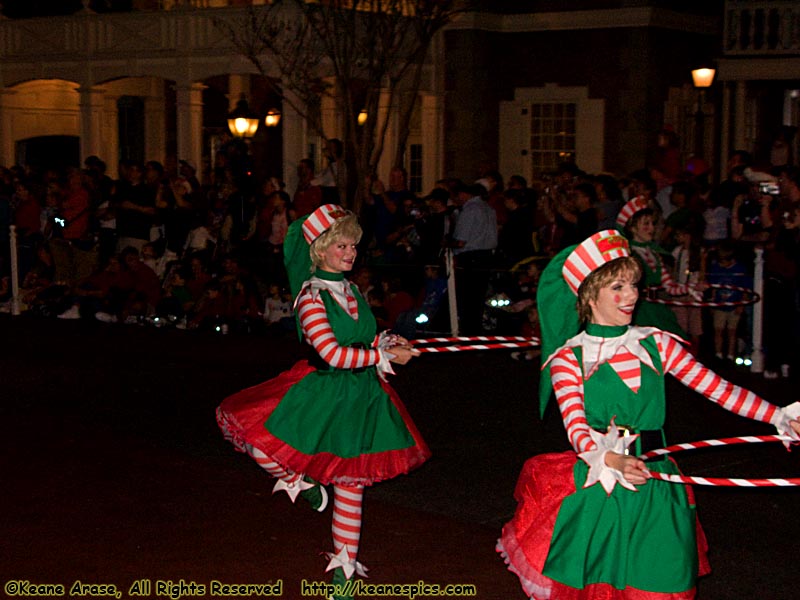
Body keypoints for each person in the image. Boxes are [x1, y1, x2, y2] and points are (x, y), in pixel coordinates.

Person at [497, 229, 800, 600]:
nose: (632, 296)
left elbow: (719, 389)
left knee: (660, 582)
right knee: (599, 585)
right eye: (618, 287)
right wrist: (609, 457)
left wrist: (780, 416)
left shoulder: (657, 343)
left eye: (634, 285)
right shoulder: (568, 358)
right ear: (589, 294)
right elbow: (575, 424)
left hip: (658, 478)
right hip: (601, 482)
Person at [216, 205, 430, 599]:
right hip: (323, 391)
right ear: (320, 249)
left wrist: (386, 342)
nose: (350, 253)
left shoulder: (349, 289)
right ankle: (300, 481)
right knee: (259, 443)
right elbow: (331, 353)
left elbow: (360, 340)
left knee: (352, 486)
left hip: (362, 396)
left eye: (353, 245)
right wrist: (382, 357)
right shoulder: (311, 296)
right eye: (342, 245)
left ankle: (343, 577)